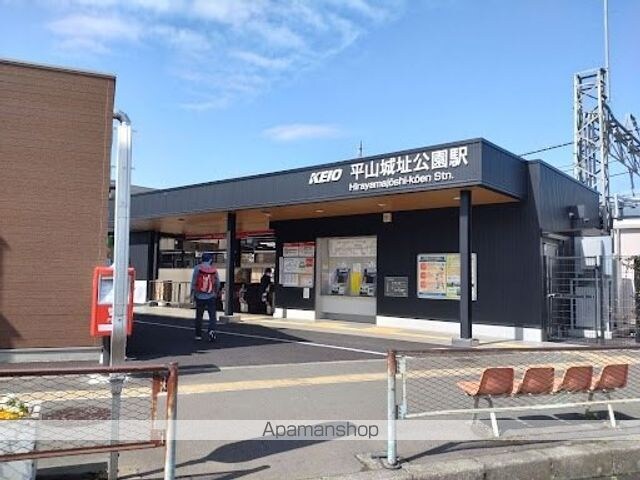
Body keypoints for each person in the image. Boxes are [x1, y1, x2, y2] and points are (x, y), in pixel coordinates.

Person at [191, 252, 220, 342]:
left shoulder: (197, 268)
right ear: (210, 260)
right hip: (211, 295)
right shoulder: (213, 269)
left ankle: (198, 335)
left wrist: (192, 294)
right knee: (212, 316)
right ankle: (211, 331)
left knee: (199, 316)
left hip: (199, 295)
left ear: (202, 259)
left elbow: (194, 282)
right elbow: (217, 283)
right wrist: (216, 292)